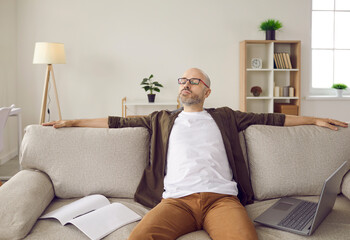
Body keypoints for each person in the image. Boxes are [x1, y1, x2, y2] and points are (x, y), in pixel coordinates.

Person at [43, 68, 348, 240]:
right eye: (183, 81)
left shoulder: (226, 116)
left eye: (194, 81)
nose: (186, 85)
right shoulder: (161, 118)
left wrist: (314, 119)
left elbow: (272, 118)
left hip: (222, 200)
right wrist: (72, 121)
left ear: (207, 92)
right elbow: (116, 122)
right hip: (176, 201)